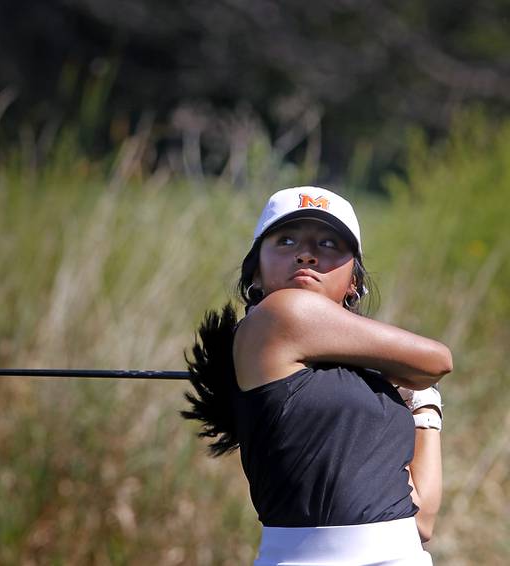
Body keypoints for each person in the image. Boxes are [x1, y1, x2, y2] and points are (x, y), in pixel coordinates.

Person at [182, 186, 452, 565]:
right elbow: (437, 359)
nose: (306, 253)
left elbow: (421, 521)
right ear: (256, 272)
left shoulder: (374, 388)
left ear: (354, 281)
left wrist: (424, 408)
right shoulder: (280, 314)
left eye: (328, 244)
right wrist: (414, 380)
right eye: (286, 240)